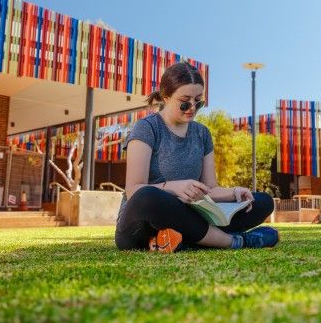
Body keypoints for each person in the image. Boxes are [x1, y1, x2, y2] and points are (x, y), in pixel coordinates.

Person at [115, 61, 279, 253]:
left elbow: (210, 189)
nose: (192, 107)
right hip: (144, 222)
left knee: (261, 201)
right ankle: (234, 241)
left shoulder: (202, 133)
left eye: (198, 101)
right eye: (185, 101)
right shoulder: (147, 128)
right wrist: (176, 187)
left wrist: (234, 192)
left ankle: (177, 240)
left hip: (191, 214)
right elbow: (133, 190)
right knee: (149, 196)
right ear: (166, 97)